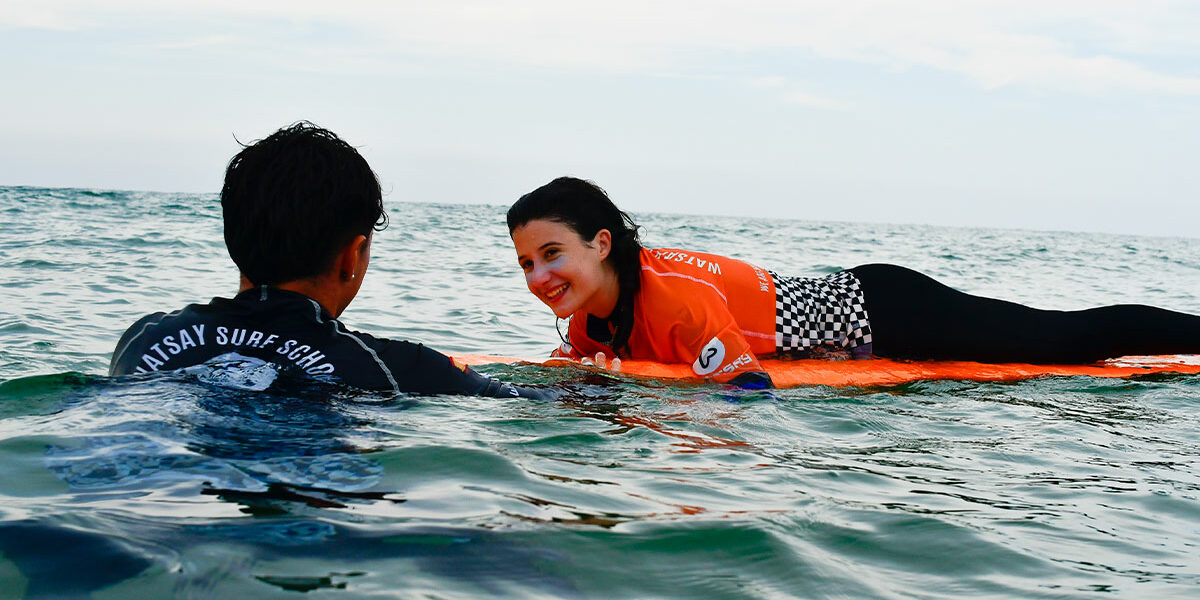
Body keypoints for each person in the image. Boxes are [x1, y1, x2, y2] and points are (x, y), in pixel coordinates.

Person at [508, 176, 1200, 389]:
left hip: (886, 311)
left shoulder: (671, 296)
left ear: (602, 244)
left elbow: (746, 390)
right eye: (526, 264)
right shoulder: (588, 322)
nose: (540, 276)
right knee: (1067, 338)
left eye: (551, 254)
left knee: (1070, 341)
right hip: (852, 304)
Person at [112, 122, 546, 399]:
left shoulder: (143, 340)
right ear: (351, 256)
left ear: (232, 237)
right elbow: (542, 405)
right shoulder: (402, 369)